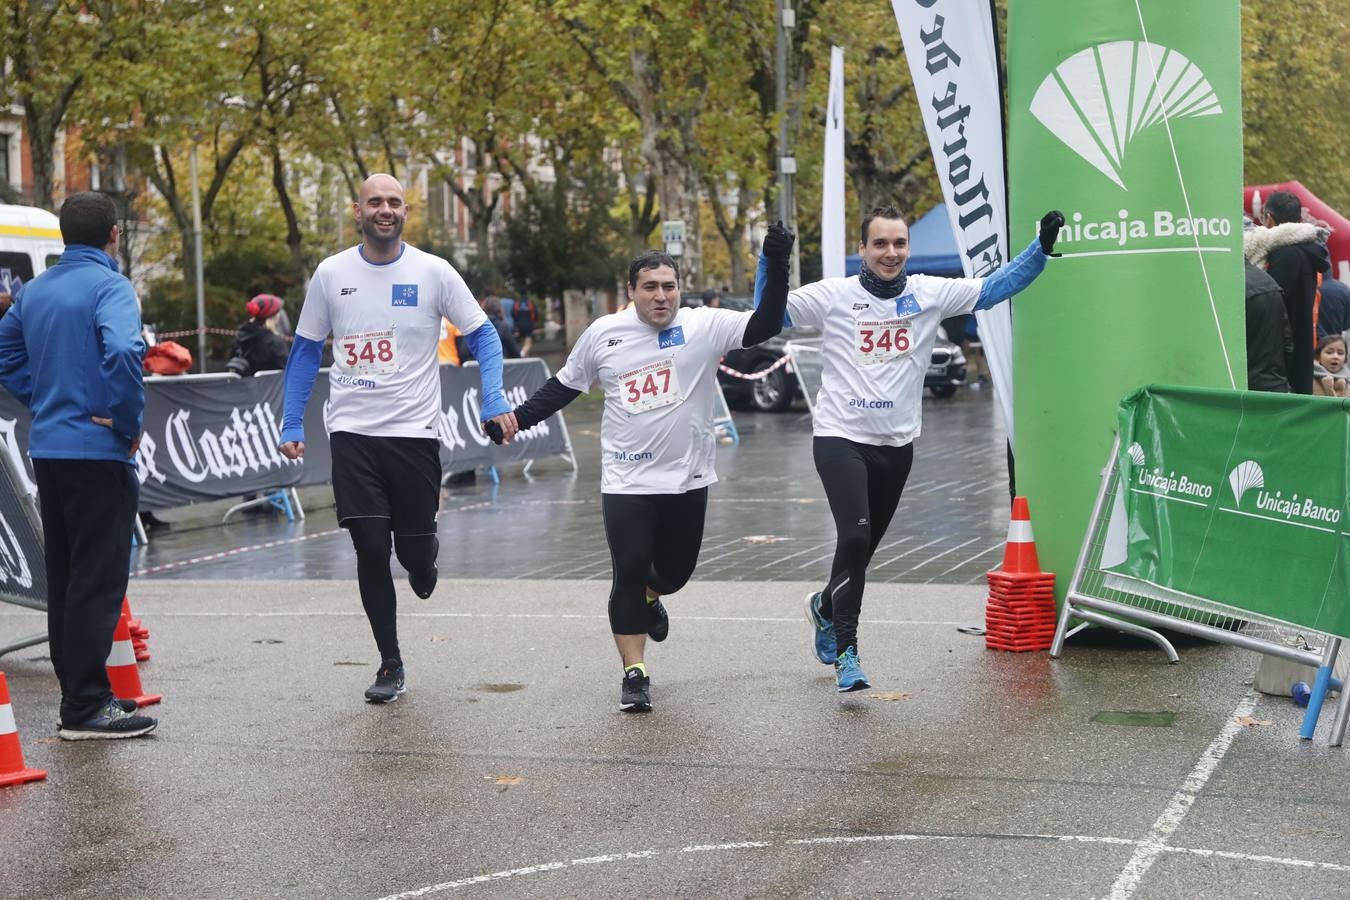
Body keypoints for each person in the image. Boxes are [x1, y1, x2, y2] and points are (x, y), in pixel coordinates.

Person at [488, 223, 795, 712]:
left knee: (673, 574)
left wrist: (775, 261)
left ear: (680, 289)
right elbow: (564, 386)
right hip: (627, 479)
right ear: (630, 292)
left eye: (668, 286)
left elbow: (765, 325)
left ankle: (655, 596)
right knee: (628, 569)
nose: (660, 296)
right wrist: (516, 421)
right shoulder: (605, 334)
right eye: (649, 287)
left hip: (688, 477)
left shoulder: (702, 325)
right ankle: (635, 672)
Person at [756, 206, 1062, 692]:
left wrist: (1040, 249)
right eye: (880, 244)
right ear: (862, 250)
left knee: (861, 549)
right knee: (854, 539)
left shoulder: (929, 292)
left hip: (896, 445)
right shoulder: (834, 296)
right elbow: (766, 318)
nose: (891, 253)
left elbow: (995, 287)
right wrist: (771, 263)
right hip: (840, 436)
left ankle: (825, 607)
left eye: (899, 244)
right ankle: (848, 653)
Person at [279, 173, 518, 704]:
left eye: (393, 202)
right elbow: (304, 352)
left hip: (414, 434)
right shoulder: (330, 273)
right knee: (368, 547)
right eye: (374, 203)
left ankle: (424, 556)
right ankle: (389, 661)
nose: (384, 210)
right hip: (352, 433)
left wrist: (494, 396)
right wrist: (292, 421)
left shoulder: (432, 272)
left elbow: (483, 334)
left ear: (404, 211)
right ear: (357, 212)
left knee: (412, 557)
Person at [0, 191, 156, 739]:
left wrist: (44, 396)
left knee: (66, 576)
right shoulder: (111, 286)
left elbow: (4, 355)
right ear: (114, 234)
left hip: (48, 447)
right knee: (98, 576)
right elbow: (121, 351)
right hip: (97, 449)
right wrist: (124, 420)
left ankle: (79, 697)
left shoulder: (34, 291)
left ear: (66, 235)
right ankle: (86, 707)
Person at [1258, 191, 1331, 394]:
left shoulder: (1286, 255)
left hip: (1283, 360)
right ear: (1299, 219)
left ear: (1268, 218)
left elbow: (1273, 305)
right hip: (1300, 350)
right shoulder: (1306, 252)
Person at [1244, 260, 1291, 392]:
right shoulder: (1268, 280)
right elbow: (1287, 344)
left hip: (1238, 389)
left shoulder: (1222, 284)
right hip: (1273, 384)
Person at [227, 293, 290, 375]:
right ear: (273, 317)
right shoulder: (275, 343)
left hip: (242, 386)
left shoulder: (239, 337)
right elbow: (286, 372)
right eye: (277, 312)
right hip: (267, 387)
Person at [466, 295, 520, 360]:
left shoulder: (476, 325)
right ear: (499, 309)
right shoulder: (503, 326)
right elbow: (515, 351)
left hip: (476, 364)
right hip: (498, 364)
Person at [1312, 333, 1349, 397]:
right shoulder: (1309, 378)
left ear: (1345, 359)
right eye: (1329, 352)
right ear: (1318, 357)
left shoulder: (1348, 381)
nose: (1335, 356)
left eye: (1340, 353)